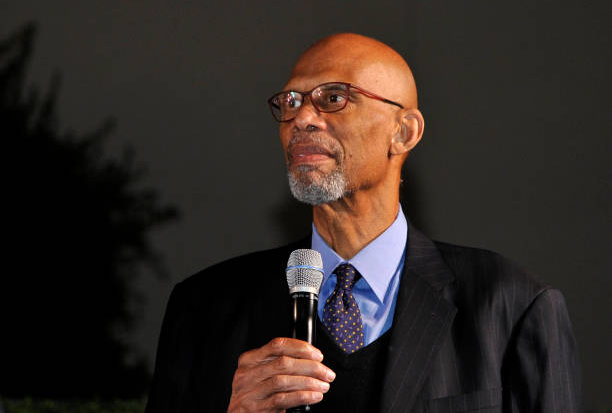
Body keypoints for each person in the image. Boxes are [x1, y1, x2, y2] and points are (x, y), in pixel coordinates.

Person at [145, 33, 582, 412]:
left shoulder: (510, 306)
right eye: (291, 102)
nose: (302, 118)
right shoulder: (205, 308)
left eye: (333, 98)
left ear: (404, 132)